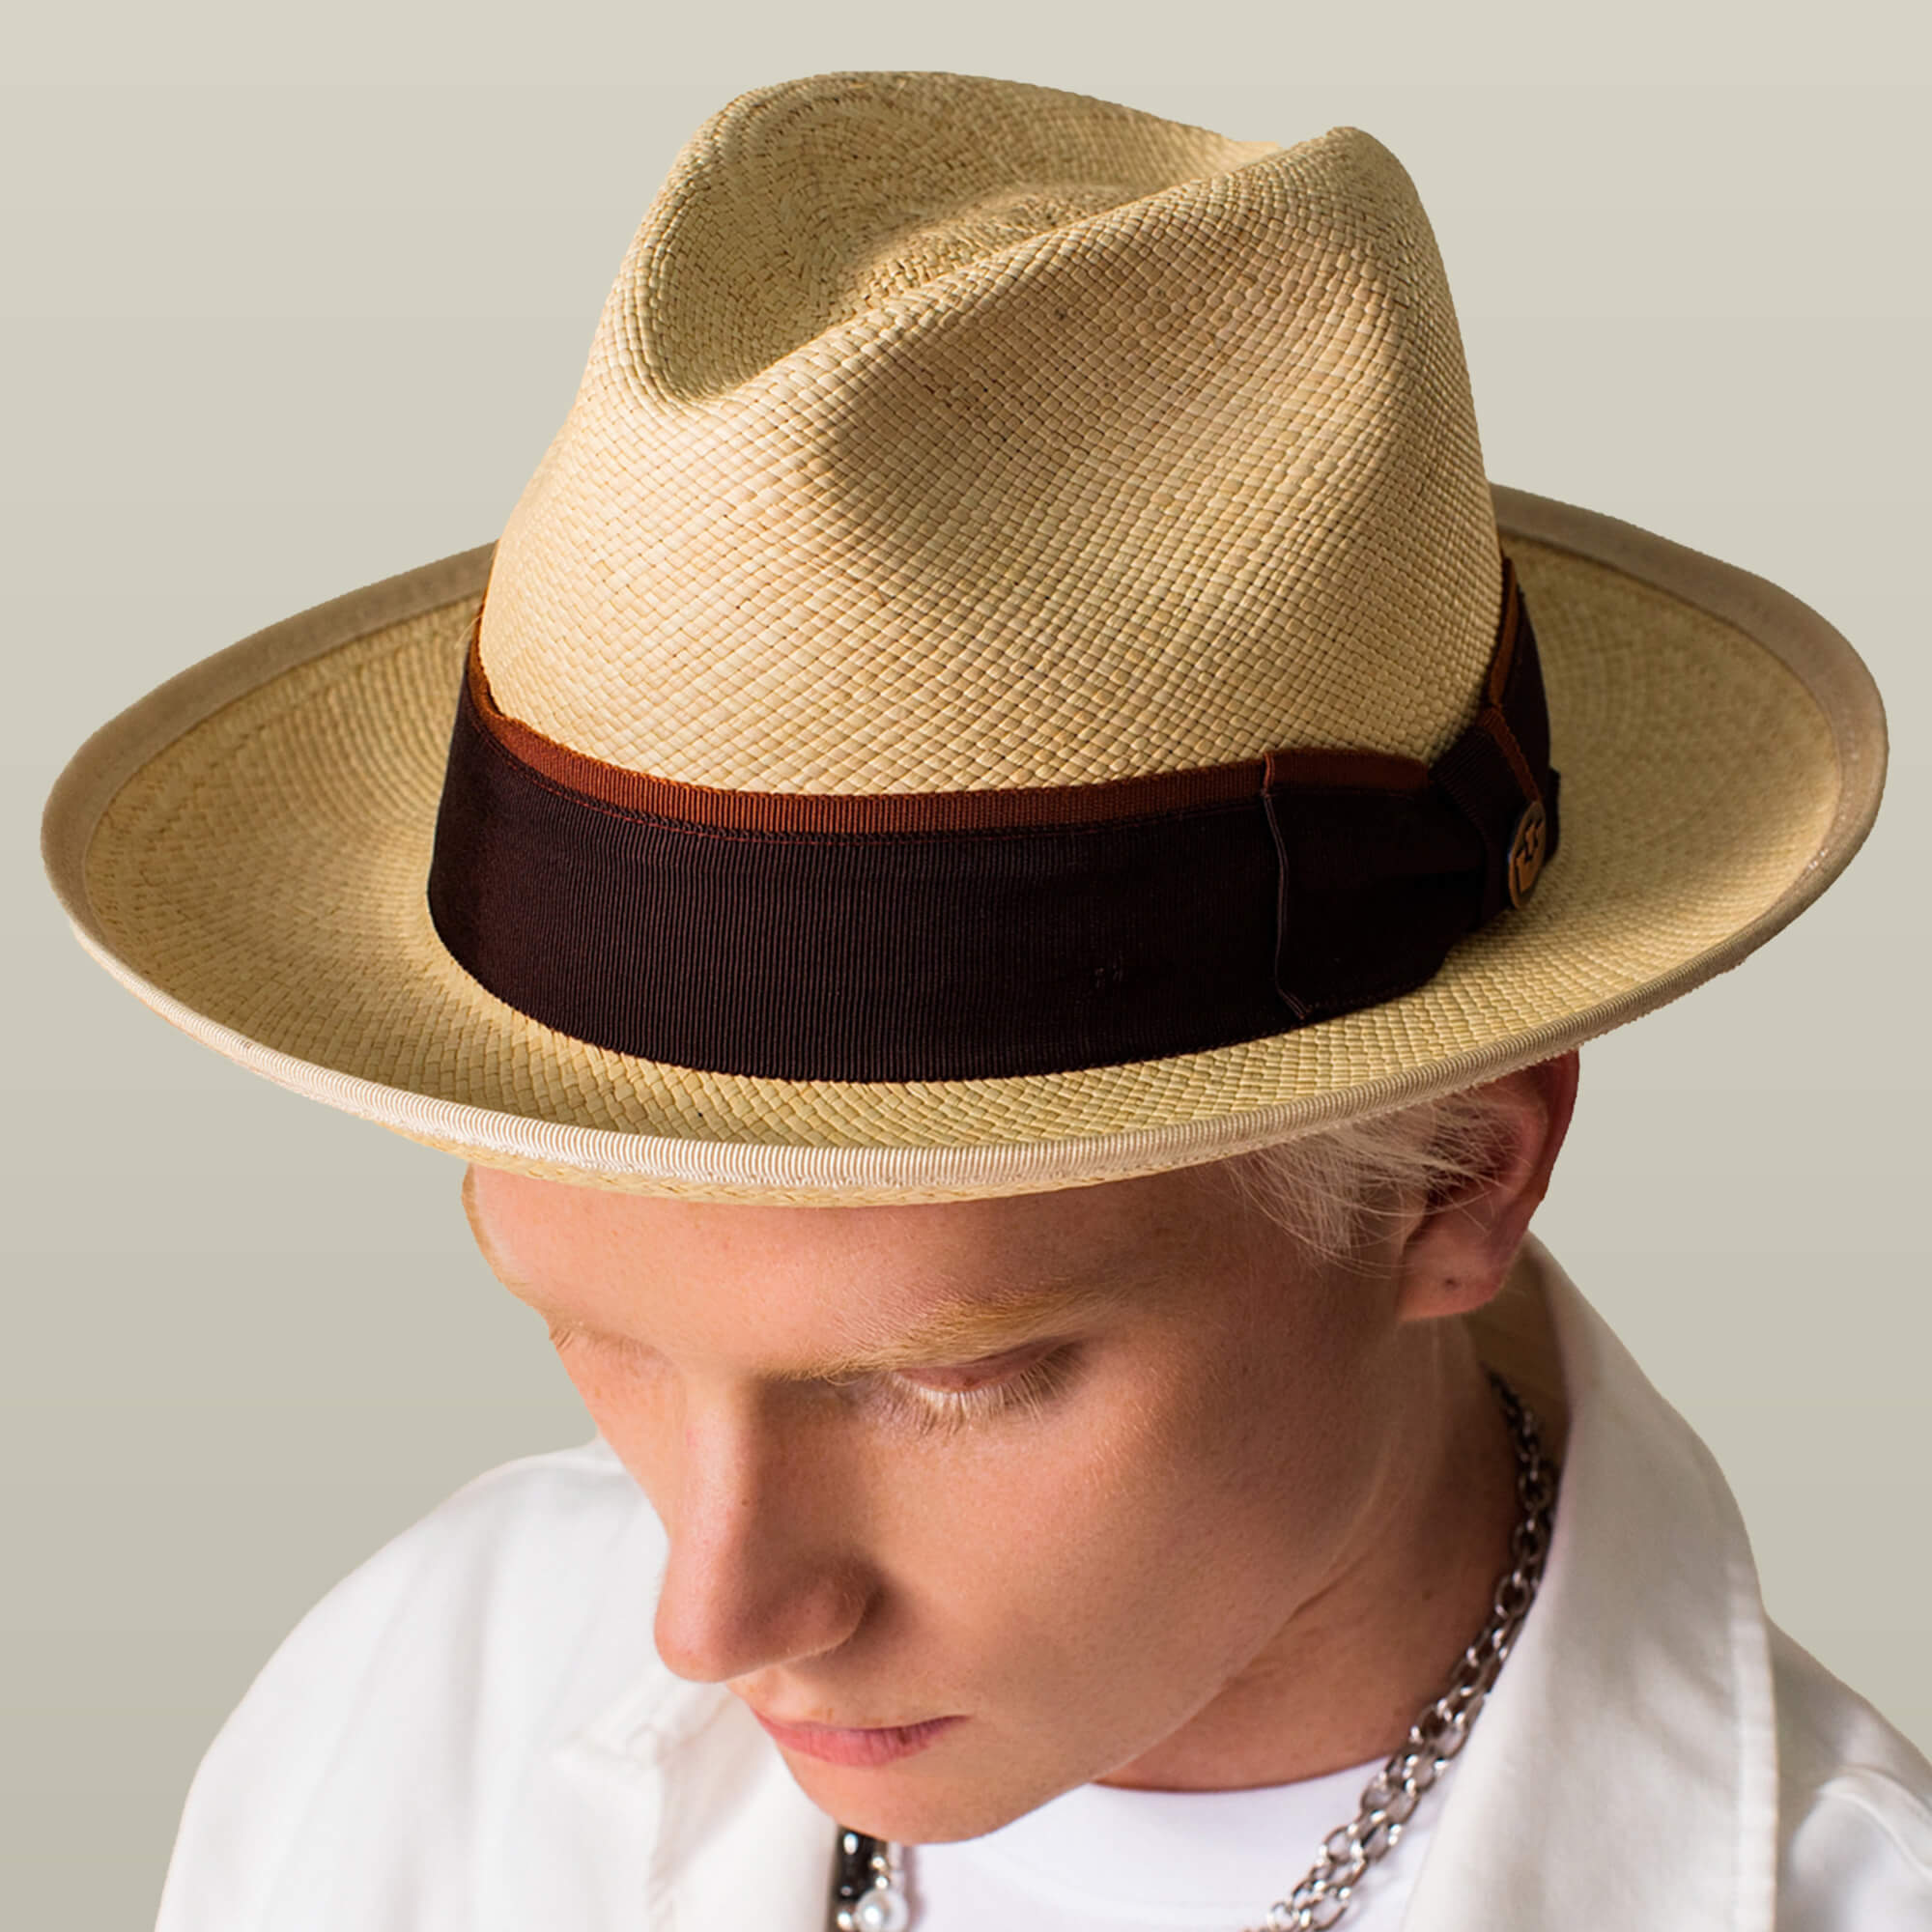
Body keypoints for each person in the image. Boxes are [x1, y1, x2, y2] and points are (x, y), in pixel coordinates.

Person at [39, 68, 1931, 1931]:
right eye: (590, 1326)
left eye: (948, 1378)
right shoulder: (402, 1714)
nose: (709, 1613)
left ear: (1460, 1178)